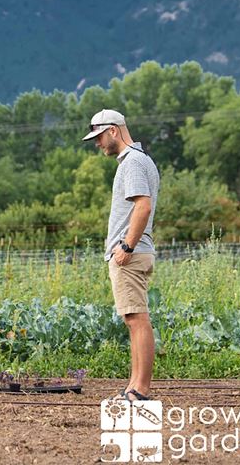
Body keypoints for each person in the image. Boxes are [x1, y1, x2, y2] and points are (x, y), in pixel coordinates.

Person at [83, 109, 159, 401]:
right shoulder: (138, 160)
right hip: (134, 252)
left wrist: (125, 247)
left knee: (137, 319)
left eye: (99, 137)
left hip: (132, 253)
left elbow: (143, 205)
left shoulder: (133, 162)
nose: (98, 143)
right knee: (133, 319)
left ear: (113, 130)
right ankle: (133, 386)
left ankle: (140, 389)